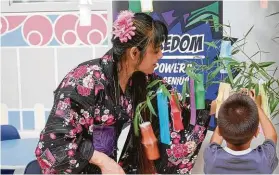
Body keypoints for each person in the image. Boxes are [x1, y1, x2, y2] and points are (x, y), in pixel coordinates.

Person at [35, 11, 213, 174]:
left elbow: (175, 104)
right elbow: (53, 144)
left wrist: (212, 107)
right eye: (156, 50)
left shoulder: (143, 80)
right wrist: (101, 160)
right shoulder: (84, 81)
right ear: (134, 53)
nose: (161, 55)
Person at [204, 91, 278, 174]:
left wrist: (225, 115)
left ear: (220, 131)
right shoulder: (264, 159)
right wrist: (255, 105)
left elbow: (215, 139)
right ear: (256, 132)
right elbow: (272, 136)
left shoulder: (212, 157)